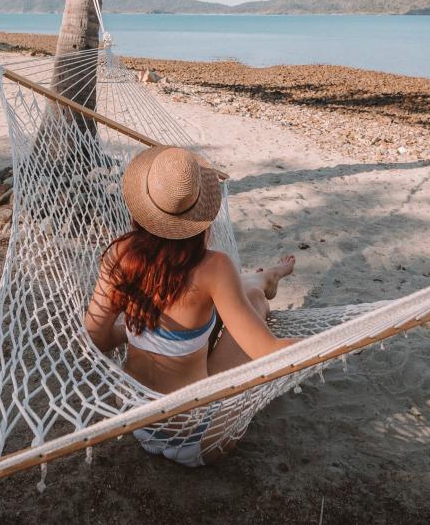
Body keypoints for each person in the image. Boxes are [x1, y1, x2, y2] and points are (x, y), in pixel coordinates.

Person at [85, 144, 296, 466]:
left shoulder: (120, 255)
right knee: (251, 301)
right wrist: (337, 341)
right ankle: (264, 281)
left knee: (236, 296)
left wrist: (136, 328)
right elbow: (266, 350)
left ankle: (263, 278)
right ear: (201, 218)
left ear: (141, 211)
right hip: (199, 436)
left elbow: (97, 338)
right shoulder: (214, 266)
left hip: (134, 418)